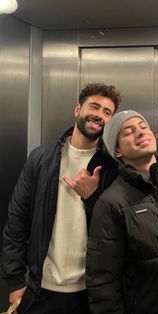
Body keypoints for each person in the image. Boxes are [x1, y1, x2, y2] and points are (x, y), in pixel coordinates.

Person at [1, 83, 122, 314]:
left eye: (107, 112)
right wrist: (16, 280)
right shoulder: (41, 158)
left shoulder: (111, 167)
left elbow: (118, 226)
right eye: (94, 107)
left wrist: (93, 197)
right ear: (78, 109)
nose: (99, 115)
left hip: (92, 292)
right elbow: (17, 220)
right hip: (40, 289)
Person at [86, 110, 158, 314]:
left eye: (143, 126)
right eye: (129, 131)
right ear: (118, 151)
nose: (140, 132)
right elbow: (103, 282)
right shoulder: (111, 203)